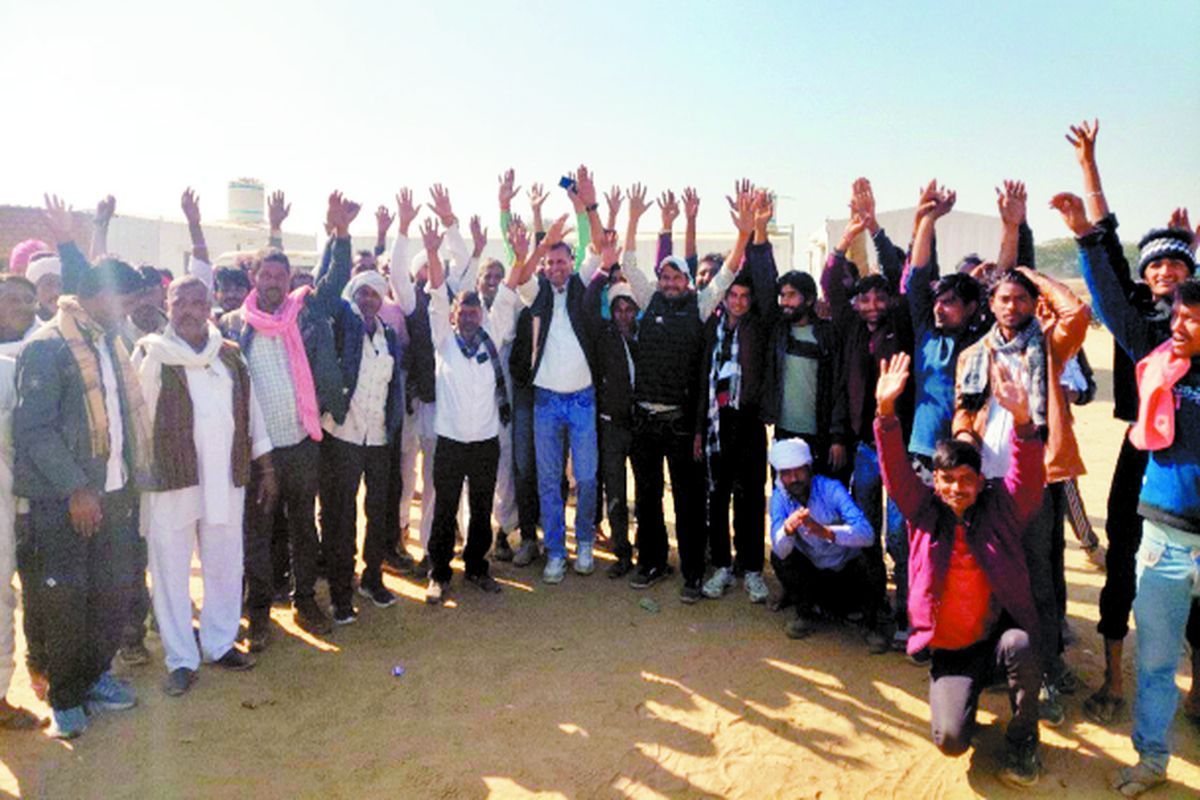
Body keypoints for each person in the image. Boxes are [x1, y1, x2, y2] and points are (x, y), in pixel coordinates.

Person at [1052, 119, 1200, 727]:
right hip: (1143, 450)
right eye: (1155, 266)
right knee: (1123, 559)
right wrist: (1089, 173)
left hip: (1192, 456)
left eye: (1176, 266)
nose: (1164, 273)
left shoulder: (1194, 323)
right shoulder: (1140, 324)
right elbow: (1107, 256)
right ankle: (1115, 677)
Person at [876, 352, 1046, 788]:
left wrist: (1023, 422)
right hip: (952, 651)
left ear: (981, 481)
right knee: (951, 741)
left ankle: (1024, 739)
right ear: (934, 481)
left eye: (967, 479)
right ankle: (966, 697)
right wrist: (886, 413)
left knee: (1022, 645)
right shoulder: (923, 512)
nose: (957, 488)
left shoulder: (1000, 509)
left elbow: (1028, 479)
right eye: (947, 479)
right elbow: (895, 473)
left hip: (997, 638)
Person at [954, 183, 1091, 725]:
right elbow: (963, 413)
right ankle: (999, 665)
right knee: (990, 577)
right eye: (1003, 299)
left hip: (1033, 481)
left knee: (1039, 581)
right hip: (988, 483)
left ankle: (1048, 672)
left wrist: (1028, 274)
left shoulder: (1049, 346)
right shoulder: (974, 353)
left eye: (1020, 300)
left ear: (1032, 304)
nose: (1011, 307)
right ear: (990, 305)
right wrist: (966, 447)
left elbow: (1076, 311)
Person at [14, 245, 148, 739]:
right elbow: (35, 432)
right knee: (67, 601)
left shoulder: (109, 345)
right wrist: (76, 489)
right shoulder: (49, 346)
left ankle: (94, 677)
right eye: (125, 303)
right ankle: (66, 698)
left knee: (112, 594)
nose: (128, 314)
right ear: (101, 297)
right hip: (66, 502)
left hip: (115, 494)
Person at [214, 190, 357, 646]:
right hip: (259, 450)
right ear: (253, 277)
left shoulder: (303, 312)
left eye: (281, 275)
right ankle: (259, 611)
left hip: (300, 443)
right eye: (266, 274)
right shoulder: (233, 326)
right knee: (257, 532)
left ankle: (304, 601)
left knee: (302, 526)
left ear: (289, 278)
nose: (274, 281)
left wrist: (341, 234)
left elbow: (335, 280)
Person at [133, 276, 276, 695]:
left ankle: (219, 643)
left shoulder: (228, 355)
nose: (189, 310)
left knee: (226, 563)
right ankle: (180, 658)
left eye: (198, 302)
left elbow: (252, 414)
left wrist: (267, 469)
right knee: (170, 569)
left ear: (209, 305)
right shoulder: (151, 355)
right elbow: (136, 423)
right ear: (168, 305)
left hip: (224, 479)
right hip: (170, 482)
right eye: (181, 302)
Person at [627, 188, 742, 602]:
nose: (670, 283)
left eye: (677, 277)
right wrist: (634, 219)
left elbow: (728, 272)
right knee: (647, 498)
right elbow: (628, 264)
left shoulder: (699, 305)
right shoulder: (649, 300)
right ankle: (653, 561)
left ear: (687, 281)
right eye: (665, 277)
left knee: (689, 503)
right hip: (645, 422)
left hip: (680, 425)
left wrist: (744, 233)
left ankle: (693, 573)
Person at [421, 214, 534, 603]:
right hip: (450, 442)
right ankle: (438, 573)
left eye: (474, 312)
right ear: (454, 315)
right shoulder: (443, 341)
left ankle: (476, 567)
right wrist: (433, 252)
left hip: (486, 441)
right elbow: (438, 291)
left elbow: (508, 290)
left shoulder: (494, 335)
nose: (469, 316)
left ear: (481, 315)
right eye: (463, 312)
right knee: (445, 509)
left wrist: (520, 256)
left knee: (482, 508)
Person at [823, 186, 915, 653]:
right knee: (865, 532)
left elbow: (900, 273)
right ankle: (874, 610)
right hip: (862, 449)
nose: (873, 305)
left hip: (898, 450)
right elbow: (830, 280)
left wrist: (875, 227)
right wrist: (847, 237)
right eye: (865, 299)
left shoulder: (904, 326)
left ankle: (907, 615)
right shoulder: (850, 329)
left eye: (880, 298)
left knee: (899, 536)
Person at [517, 165, 603, 585]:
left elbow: (599, 246)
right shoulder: (537, 293)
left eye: (561, 260)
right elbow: (519, 276)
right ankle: (555, 551)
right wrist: (542, 242)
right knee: (549, 482)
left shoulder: (583, 285)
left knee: (585, 477)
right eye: (549, 261)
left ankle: (583, 541)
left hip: (583, 399)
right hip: (546, 401)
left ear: (571, 262)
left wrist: (589, 204)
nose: (555, 266)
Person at [317, 267, 407, 623]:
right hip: (345, 434)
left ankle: (372, 578)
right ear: (352, 295)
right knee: (341, 514)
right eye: (362, 293)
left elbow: (393, 386)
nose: (368, 299)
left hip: (379, 437)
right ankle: (341, 592)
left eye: (374, 294)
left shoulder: (388, 336)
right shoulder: (344, 327)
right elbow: (329, 296)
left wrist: (393, 423)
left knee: (378, 510)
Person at [697, 252, 770, 605]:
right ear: (724, 297)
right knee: (718, 495)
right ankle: (722, 566)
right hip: (717, 422)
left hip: (749, 420)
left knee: (751, 497)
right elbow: (703, 380)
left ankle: (752, 568)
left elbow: (766, 279)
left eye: (745, 297)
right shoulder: (711, 328)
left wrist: (754, 236)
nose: (739, 302)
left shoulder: (758, 327)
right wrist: (700, 429)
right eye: (733, 296)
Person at [766, 437, 875, 643]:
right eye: (786, 473)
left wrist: (827, 532)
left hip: (845, 571)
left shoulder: (831, 489)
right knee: (779, 557)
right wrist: (788, 530)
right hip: (813, 574)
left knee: (870, 557)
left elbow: (867, 534)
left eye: (799, 471)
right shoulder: (780, 498)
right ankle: (805, 614)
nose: (794, 479)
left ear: (809, 469)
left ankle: (872, 626)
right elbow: (779, 550)